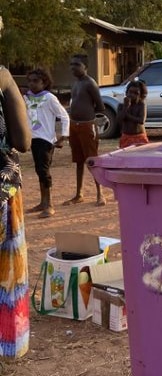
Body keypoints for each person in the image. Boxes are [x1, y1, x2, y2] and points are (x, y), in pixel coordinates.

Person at [0, 65, 32, 359]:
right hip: (2, 189)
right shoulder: (2, 77)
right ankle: (6, 342)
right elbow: (22, 141)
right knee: (5, 272)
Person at [23, 68, 70, 218]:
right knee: (39, 170)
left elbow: (64, 116)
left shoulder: (49, 98)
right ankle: (43, 202)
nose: (32, 84)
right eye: (29, 81)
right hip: (33, 138)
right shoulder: (27, 98)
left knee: (44, 171)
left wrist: (64, 135)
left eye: (35, 81)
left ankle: (49, 204)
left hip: (45, 139)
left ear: (44, 82)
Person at [64, 54, 106, 206]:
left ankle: (100, 194)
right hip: (74, 126)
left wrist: (88, 116)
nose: (73, 67)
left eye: (76, 64)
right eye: (71, 64)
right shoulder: (75, 84)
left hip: (87, 126)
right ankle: (78, 194)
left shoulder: (90, 83)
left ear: (85, 67)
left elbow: (100, 106)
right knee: (79, 161)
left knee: (92, 161)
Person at [117, 80, 149, 148]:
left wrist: (127, 116)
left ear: (141, 95)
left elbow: (141, 120)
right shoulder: (121, 105)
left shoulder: (141, 105)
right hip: (126, 136)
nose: (132, 95)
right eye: (130, 92)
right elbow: (119, 119)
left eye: (136, 93)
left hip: (139, 136)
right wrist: (126, 107)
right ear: (126, 92)